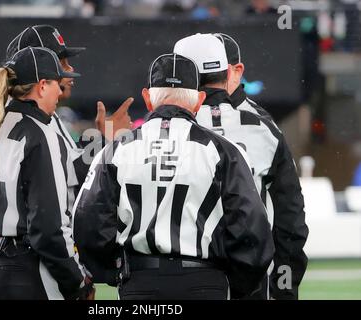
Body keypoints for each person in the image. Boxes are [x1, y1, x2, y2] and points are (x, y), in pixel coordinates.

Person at [72, 53, 274, 300]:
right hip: (205, 282)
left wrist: (113, 272)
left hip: (140, 281)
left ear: (147, 98)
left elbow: (88, 221)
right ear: (199, 101)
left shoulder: (116, 150)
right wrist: (234, 282)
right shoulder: (224, 151)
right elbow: (252, 228)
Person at [174, 33, 309, 300]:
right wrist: (285, 286)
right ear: (231, 71)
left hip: (181, 271)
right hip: (248, 271)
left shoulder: (160, 127)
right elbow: (290, 218)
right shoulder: (264, 128)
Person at [0, 47, 95, 300]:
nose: (61, 90)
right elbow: (47, 227)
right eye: (56, 83)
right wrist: (77, 280)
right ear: (42, 86)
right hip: (21, 268)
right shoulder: (40, 134)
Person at [6, 24, 133, 211]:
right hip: (32, 237)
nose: (69, 69)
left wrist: (101, 139)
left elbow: (70, 165)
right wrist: (105, 140)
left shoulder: (36, 114)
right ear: (39, 67)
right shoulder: (27, 120)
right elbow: (72, 176)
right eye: (61, 62)